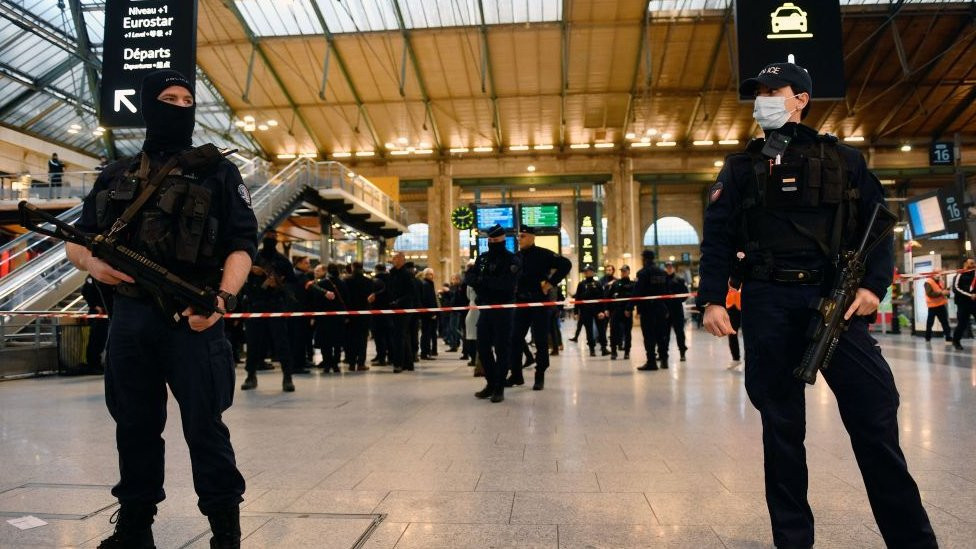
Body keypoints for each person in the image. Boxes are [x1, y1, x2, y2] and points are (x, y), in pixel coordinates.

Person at [698, 62, 937, 549]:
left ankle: (913, 541)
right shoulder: (741, 167)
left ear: (801, 98)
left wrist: (874, 285)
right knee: (782, 433)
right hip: (767, 302)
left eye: (774, 90)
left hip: (835, 302)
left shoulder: (843, 159)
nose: (763, 98)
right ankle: (794, 542)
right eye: (758, 92)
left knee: (876, 416)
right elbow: (717, 238)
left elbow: (879, 225)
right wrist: (711, 299)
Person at [66, 69, 255, 548]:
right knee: (133, 426)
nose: (180, 105)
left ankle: (225, 534)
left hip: (193, 317)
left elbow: (242, 244)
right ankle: (134, 528)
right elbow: (79, 239)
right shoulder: (117, 172)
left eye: (188, 98)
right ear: (149, 106)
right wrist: (94, 265)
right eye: (169, 98)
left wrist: (222, 298)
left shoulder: (218, 171)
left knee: (205, 427)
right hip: (130, 318)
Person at [510, 225, 571, 390]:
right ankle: (516, 375)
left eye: (522, 236)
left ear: (532, 237)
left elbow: (566, 264)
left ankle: (540, 375)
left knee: (541, 340)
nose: (519, 239)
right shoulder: (515, 257)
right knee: (515, 339)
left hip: (538, 302)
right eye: (518, 236)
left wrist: (551, 283)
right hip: (521, 303)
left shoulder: (544, 254)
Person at [466, 224, 520, 402]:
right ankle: (491, 382)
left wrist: (483, 281)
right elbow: (470, 278)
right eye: (489, 240)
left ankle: (499, 387)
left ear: (502, 240)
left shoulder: (512, 260)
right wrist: (485, 282)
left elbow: (505, 284)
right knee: (482, 347)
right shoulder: (482, 259)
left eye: (494, 240)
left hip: (504, 309)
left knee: (502, 348)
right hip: (486, 308)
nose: (491, 243)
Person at [241, 232, 297, 390]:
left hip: (275, 305)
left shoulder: (282, 261)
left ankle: (287, 377)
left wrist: (278, 285)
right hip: (256, 305)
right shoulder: (253, 258)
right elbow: (239, 276)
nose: (270, 240)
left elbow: (292, 283)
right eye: (268, 237)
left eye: (273, 237)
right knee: (253, 343)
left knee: (282, 343)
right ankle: (250, 375)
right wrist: (250, 269)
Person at [632, 249, 669, 370]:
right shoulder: (662, 272)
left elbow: (637, 292)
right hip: (661, 308)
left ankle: (652, 362)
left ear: (644, 258)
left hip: (648, 309)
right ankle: (664, 360)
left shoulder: (642, 273)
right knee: (661, 335)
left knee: (649, 336)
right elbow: (667, 291)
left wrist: (630, 307)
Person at [312, 263, 349, 373]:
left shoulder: (321, 284)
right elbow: (347, 299)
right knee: (337, 341)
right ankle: (336, 364)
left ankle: (327, 364)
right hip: (338, 317)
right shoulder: (342, 283)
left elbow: (316, 301)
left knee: (325, 342)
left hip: (324, 317)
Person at [387, 253, 417, 372]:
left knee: (399, 336)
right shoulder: (392, 273)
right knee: (403, 335)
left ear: (402, 260)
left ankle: (398, 363)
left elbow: (411, 293)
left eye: (396, 258)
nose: (393, 260)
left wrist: (398, 301)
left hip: (404, 308)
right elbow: (388, 288)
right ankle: (408, 363)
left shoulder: (407, 274)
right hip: (393, 307)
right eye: (393, 258)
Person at [344, 262, 373, 371]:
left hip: (351, 314)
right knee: (362, 339)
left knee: (351, 339)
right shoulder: (368, 281)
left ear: (352, 268)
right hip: (364, 314)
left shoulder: (347, 281)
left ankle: (351, 363)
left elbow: (345, 298)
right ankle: (361, 363)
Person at [80, 275, 112, 374]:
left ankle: (97, 363)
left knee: (101, 340)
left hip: (104, 314)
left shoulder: (102, 278)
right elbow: (85, 291)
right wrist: (94, 305)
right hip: (97, 315)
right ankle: (93, 364)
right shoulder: (91, 278)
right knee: (95, 339)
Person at [574, 265, 608, 358]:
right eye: (585, 271)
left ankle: (604, 348)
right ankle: (592, 349)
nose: (586, 273)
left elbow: (602, 298)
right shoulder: (581, 284)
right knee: (589, 330)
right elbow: (577, 298)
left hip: (598, 310)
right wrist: (576, 312)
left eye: (588, 271)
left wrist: (603, 310)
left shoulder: (598, 284)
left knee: (601, 329)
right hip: (586, 310)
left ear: (593, 272)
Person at [289, 255, 314, 374]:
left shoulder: (297, 275)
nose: (308, 265)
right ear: (298, 263)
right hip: (299, 312)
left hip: (299, 312)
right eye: (306, 263)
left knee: (301, 339)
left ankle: (301, 361)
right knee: (298, 340)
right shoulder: (300, 276)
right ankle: (297, 365)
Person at [606, 265, 634, 360]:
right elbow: (609, 297)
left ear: (629, 272)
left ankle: (627, 352)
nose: (623, 273)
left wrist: (629, 309)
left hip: (627, 312)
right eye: (622, 271)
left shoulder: (632, 284)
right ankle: (613, 351)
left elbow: (634, 299)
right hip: (616, 311)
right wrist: (607, 309)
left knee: (627, 333)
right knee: (613, 331)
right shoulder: (615, 284)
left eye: (625, 271)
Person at [663, 261, 689, 361]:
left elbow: (685, 294)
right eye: (667, 267)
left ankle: (682, 353)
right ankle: (664, 353)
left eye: (670, 267)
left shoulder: (680, 280)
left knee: (680, 333)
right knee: (665, 334)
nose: (669, 268)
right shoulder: (662, 280)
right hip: (665, 310)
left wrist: (677, 300)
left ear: (673, 268)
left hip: (677, 310)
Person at [369, 264, 392, 365]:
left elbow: (371, 297)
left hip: (377, 312)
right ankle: (391, 357)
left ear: (376, 270)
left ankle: (381, 358)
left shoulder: (375, 281)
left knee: (379, 337)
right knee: (389, 336)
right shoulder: (391, 280)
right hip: (390, 312)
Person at [951, 257, 976, 350]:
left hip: (974, 302)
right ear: (965, 264)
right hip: (963, 303)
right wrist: (970, 295)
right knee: (962, 324)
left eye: (974, 263)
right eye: (971, 263)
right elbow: (956, 288)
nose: (973, 265)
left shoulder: (975, 274)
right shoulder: (959, 275)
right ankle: (956, 341)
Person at [923, 270, 952, 343]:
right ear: (932, 274)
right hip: (932, 306)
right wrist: (941, 293)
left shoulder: (940, 281)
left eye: (939, 274)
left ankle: (948, 337)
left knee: (944, 322)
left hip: (941, 304)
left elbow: (942, 291)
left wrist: (946, 292)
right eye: (937, 274)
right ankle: (928, 337)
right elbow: (930, 294)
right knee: (930, 323)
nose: (938, 275)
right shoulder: (928, 282)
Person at [419, 267, 439, 360]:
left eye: (432, 274)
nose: (432, 276)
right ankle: (425, 353)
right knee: (426, 334)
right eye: (430, 274)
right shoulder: (426, 284)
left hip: (429, 313)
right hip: (428, 314)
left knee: (428, 333)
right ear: (426, 275)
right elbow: (428, 300)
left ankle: (427, 351)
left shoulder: (429, 284)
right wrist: (432, 313)